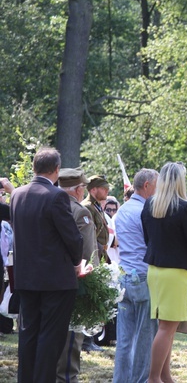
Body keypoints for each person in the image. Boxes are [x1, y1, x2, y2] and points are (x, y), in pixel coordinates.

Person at [10, 147, 83, 383]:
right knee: (50, 338)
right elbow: (73, 238)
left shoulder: (17, 194)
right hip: (55, 280)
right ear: (56, 170)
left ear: (34, 167)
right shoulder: (56, 195)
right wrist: (76, 263)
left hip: (26, 277)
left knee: (28, 335)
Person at [141, 162, 187, 382]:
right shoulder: (184, 207)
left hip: (155, 270)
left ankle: (165, 376)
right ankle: (154, 377)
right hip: (176, 272)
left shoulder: (150, 204)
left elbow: (148, 238)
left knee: (164, 327)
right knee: (168, 328)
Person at [113, 168, 159, 383]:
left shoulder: (122, 209)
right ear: (147, 185)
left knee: (124, 338)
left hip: (124, 277)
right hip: (143, 276)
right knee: (145, 337)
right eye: (157, 185)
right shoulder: (146, 210)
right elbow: (152, 244)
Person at [55, 168, 99, 383]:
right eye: (83, 187)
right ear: (79, 189)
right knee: (72, 334)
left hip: (47, 281)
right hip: (74, 280)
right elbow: (88, 255)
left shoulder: (46, 205)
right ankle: (67, 377)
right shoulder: (79, 212)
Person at [83, 175, 111, 264]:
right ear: (93, 189)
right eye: (104, 188)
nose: (107, 191)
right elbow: (89, 236)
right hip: (94, 254)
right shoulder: (87, 207)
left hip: (101, 253)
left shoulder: (96, 206)